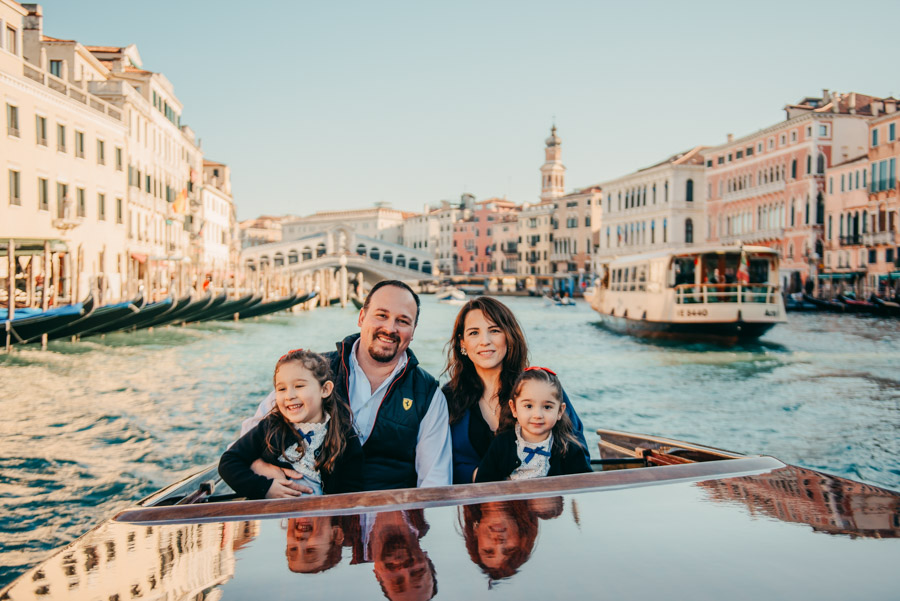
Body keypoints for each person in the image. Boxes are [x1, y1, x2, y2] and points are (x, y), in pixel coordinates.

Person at [242, 280, 452, 492]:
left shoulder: (428, 394)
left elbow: (435, 482)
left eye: (403, 321)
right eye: (381, 315)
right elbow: (243, 445)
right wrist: (262, 469)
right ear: (361, 317)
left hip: (389, 517)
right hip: (304, 513)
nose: (390, 328)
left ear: (413, 331)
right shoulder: (313, 371)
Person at [444, 297, 589, 484]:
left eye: (494, 330)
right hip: (474, 503)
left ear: (509, 335)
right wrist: (489, 479)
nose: (485, 341)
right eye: (474, 333)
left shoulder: (541, 387)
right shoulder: (448, 397)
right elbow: (441, 464)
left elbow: (577, 451)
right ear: (462, 343)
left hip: (544, 504)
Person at [220, 349, 364, 498]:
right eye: (281, 389)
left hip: (321, 517)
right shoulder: (270, 427)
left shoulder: (344, 435)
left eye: (299, 386)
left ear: (325, 389)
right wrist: (265, 488)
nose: (289, 396)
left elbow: (352, 490)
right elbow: (229, 462)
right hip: (272, 516)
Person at [474, 366, 591, 482]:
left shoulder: (569, 449)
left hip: (554, 501)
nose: (537, 415)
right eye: (528, 406)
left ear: (560, 411)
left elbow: (585, 486)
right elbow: (484, 483)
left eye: (547, 407)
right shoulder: (502, 444)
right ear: (514, 408)